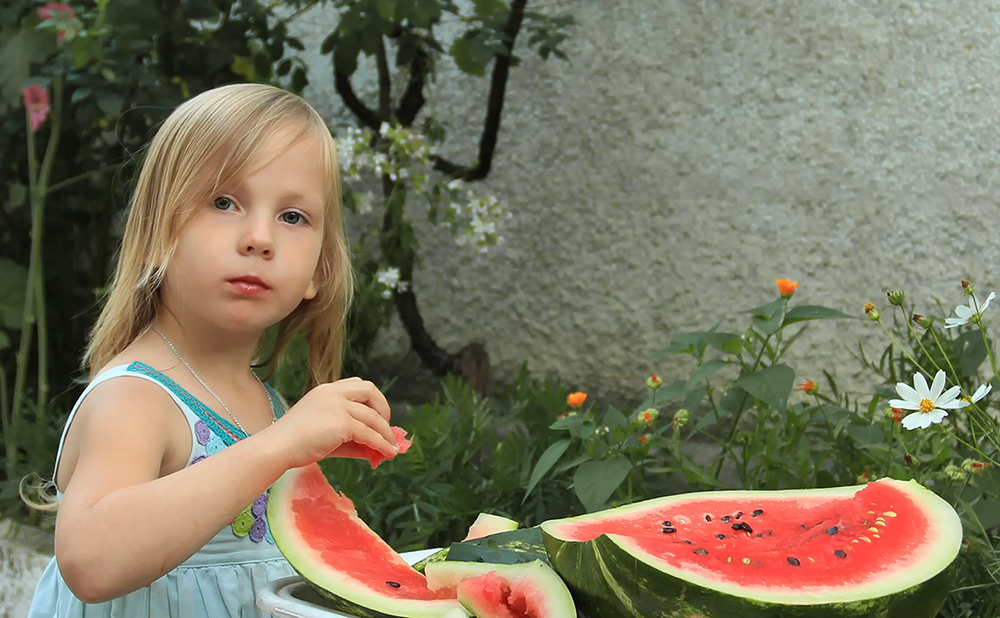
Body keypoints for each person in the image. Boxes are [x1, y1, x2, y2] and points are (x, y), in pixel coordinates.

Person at [26, 83, 400, 618]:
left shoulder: (265, 404)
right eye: (224, 202)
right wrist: (282, 444)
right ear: (157, 234)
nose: (259, 237)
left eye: (293, 217)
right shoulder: (137, 397)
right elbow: (90, 561)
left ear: (319, 269)